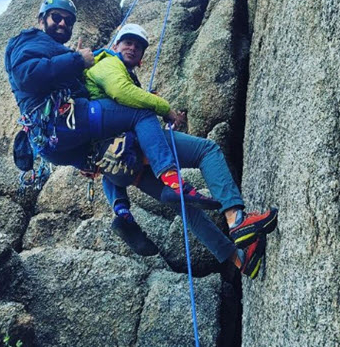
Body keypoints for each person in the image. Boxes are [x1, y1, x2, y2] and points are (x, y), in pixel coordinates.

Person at [85, 23, 278, 278]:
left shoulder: (108, 71)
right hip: (134, 145)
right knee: (207, 151)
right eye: (127, 42)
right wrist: (166, 109)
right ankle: (237, 219)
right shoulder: (107, 64)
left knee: (184, 206)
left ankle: (241, 260)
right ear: (115, 46)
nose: (132, 47)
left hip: (121, 162)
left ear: (143, 57)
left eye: (138, 45)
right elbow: (121, 92)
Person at [4, 0, 221, 210]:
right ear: (42, 19)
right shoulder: (30, 39)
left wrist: (75, 62)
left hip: (51, 142)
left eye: (68, 20)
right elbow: (27, 74)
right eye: (56, 17)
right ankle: (173, 181)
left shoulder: (52, 48)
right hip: (61, 120)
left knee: (108, 151)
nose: (63, 23)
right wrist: (78, 60)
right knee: (141, 113)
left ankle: (122, 214)